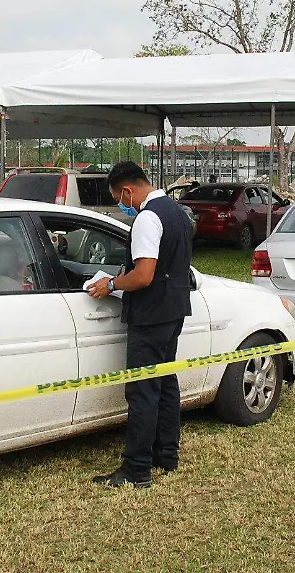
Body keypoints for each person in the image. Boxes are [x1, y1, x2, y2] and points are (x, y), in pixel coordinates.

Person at [87, 161, 194, 488]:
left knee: (143, 391)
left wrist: (112, 284)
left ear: (127, 190)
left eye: (119, 198)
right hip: (174, 310)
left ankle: (136, 469)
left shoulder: (148, 218)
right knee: (164, 384)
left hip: (150, 316)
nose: (122, 204)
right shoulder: (176, 211)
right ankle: (166, 454)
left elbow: (144, 275)